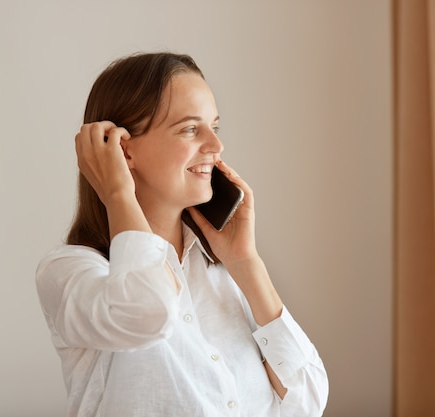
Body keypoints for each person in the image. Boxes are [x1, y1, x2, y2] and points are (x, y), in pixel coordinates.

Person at [35, 52, 328, 417]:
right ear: (123, 149)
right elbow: (146, 313)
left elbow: (307, 401)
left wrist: (247, 264)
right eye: (191, 129)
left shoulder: (226, 273)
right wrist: (118, 195)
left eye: (214, 127)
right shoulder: (72, 274)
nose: (215, 146)